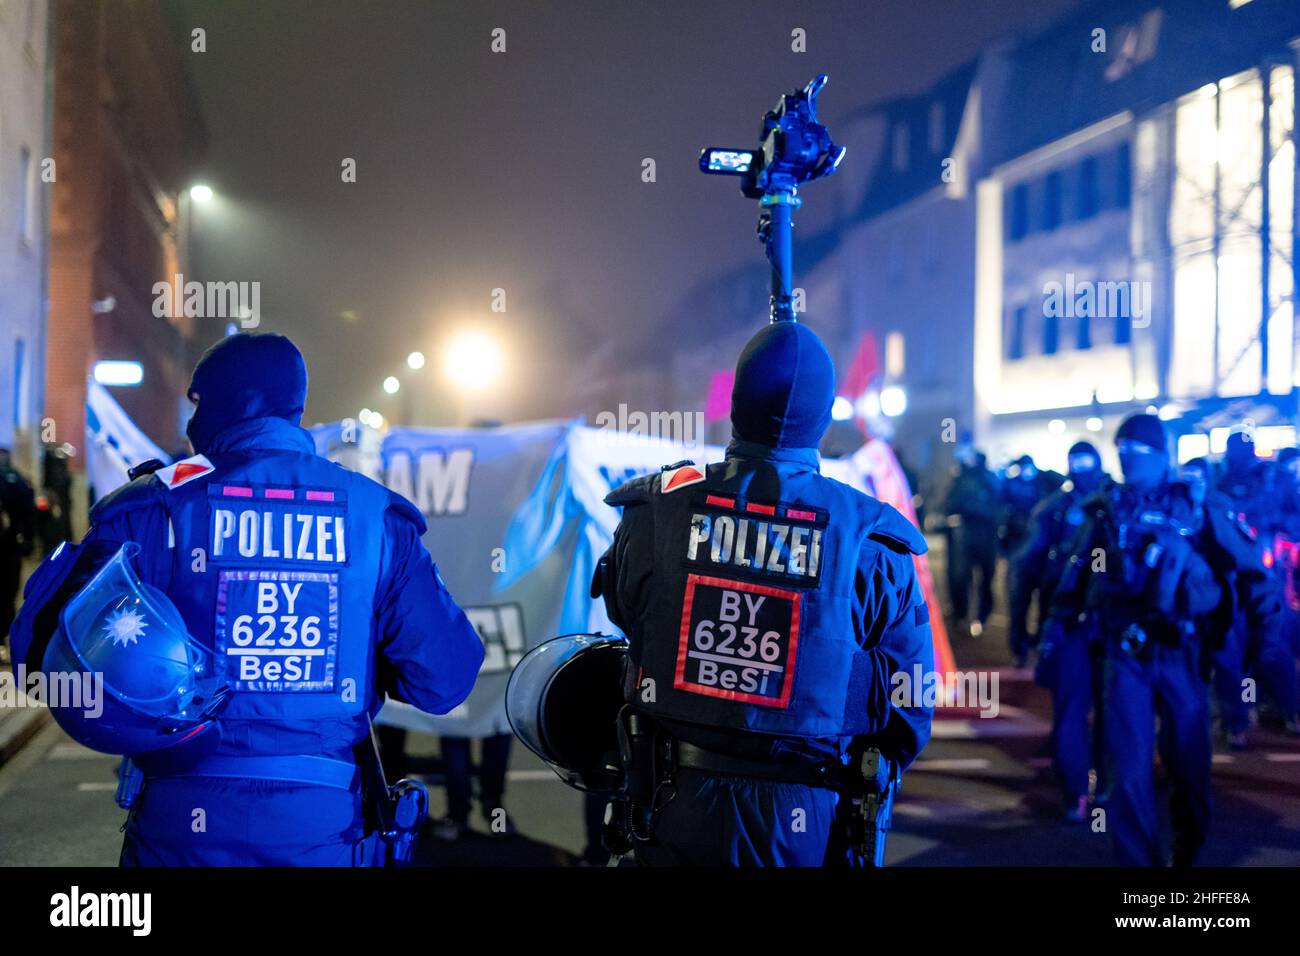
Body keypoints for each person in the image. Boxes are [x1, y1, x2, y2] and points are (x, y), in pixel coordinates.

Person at [10, 332, 484, 865]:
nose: (191, 424)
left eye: (199, 402)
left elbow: (45, 661)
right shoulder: (374, 517)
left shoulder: (149, 508)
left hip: (179, 835)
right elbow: (445, 681)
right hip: (322, 834)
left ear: (233, 400)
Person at [592, 321, 934, 866]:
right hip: (809, 818)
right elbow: (909, 704)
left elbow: (627, 622)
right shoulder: (871, 539)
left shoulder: (655, 512)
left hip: (671, 800)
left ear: (734, 404)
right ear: (824, 419)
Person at [1048, 414, 1279, 866]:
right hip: (1124, 652)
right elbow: (1074, 579)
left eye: (1139, 451)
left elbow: (1252, 572)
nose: (1130, 460)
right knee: (1128, 769)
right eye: (1124, 451)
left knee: (1188, 763)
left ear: (1161, 454)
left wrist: (1264, 644)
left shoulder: (1195, 505)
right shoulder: (1106, 508)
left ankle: (1188, 849)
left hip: (1182, 650)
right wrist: (1056, 636)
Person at [1021, 441, 1109, 818]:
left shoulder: (1063, 509)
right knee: (1091, 709)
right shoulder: (1063, 509)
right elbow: (1027, 570)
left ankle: (1084, 790)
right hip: (1082, 621)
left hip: (1090, 622)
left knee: (1086, 710)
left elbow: (1026, 571)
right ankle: (1092, 787)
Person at [1210, 432, 1297, 745]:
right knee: (1235, 651)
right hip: (1233, 577)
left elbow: (1293, 518)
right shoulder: (1218, 481)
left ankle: (1286, 709)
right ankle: (1239, 719)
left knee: (1270, 647)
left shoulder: (1273, 480)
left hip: (1267, 574)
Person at [1001, 454, 1062, 662]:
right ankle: (1020, 650)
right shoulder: (1010, 486)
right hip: (1020, 557)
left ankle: (1040, 645)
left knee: (1046, 606)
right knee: (1018, 607)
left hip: (1043, 559)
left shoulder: (1047, 486)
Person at [943, 444, 1000, 636]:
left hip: (983, 535)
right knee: (960, 577)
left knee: (984, 578)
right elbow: (950, 504)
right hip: (966, 535)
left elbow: (997, 506)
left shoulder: (987, 479)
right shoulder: (963, 479)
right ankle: (962, 614)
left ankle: (980, 616)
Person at [0, 448, 37, 645]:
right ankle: (3, 636)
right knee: (7, 591)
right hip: (9, 546)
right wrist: (28, 541)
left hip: (8, 545)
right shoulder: (16, 479)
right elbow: (28, 514)